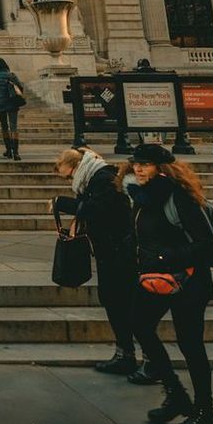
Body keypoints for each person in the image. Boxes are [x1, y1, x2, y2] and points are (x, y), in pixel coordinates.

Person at [123, 143, 213, 424]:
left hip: (188, 281)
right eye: (136, 163)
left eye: (146, 164)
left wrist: (165, 258)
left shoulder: (179, 196)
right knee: (138, 324)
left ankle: (205, 414)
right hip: (156, 279)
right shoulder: (140, 196)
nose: (138, 168)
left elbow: (206, 245)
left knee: (190, 344)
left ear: (161, 168)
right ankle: (175, 392)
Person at [53, 148, 138, 377]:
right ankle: (125, 353)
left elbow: (97, 210)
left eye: (69, 176)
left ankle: (129, 356)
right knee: (113, 299)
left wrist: (62, 203)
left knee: (119, 301)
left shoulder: (102, 179)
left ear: (75, 167)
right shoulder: (93, 179)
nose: (71, 181)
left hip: (119, 252)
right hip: (109, 250)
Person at [0, 58, 25, 161]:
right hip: (12, 103)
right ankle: (16, 152)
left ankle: (8, 150)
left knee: (4, 126)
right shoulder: (11, 75)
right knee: (13, 127)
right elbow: (20, 87)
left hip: (0, 104)